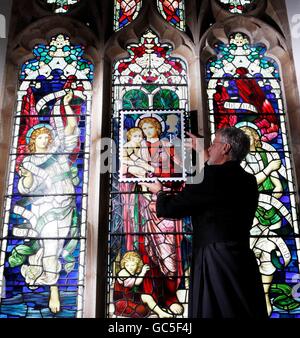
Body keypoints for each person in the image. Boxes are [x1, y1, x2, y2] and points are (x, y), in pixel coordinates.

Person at [142, 126, 268, 318]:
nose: (210, 148)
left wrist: (159, 192)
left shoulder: (212, 178)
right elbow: (211, 190)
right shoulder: (248, 180)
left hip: (216, 258)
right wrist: (202, 152)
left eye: (213, 143)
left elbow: (171, 208)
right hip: (241, 257)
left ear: (225, 148)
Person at [9, 89, 79, 314]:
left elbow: (69, 130)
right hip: (46, 209)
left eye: (48, 137)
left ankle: (40, 270)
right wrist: (27, 178)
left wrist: (67, 106)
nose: (46, 139)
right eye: (41, 136)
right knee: (50, 247)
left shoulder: (58, 153)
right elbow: (24, 189)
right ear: (33, 141)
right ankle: (54, 291)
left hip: (67, 206)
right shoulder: (29, 162)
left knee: (55, 247)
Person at [113, 251, 173, 318]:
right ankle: (160, 312)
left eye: (133, 265)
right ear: (124, 265)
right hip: (122, 302)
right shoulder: (123, 273)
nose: (130, 267)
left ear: (138, 265)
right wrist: (143, 272)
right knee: (141, 310)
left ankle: (160, 312)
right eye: (127, 265)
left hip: (130, 297)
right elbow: (136, 282)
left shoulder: (133, 274)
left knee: (148, 298)